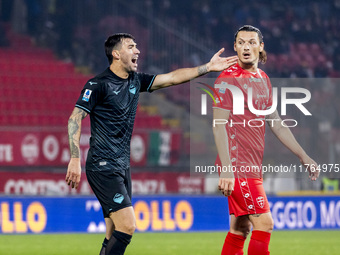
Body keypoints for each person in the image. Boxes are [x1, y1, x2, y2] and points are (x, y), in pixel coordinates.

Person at [65, 33, 238, 255]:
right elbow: (75, 117)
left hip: (122, 166)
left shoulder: (136, 81)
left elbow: (172, 78)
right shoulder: (98, 84)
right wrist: (75, 158)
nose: (137, 50)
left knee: (113, 232)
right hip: (102, 165)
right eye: (131, 46)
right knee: (127, 226)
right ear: (116, 54)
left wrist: (207, 67)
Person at [212, 25, 320, 255]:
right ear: (235, 47)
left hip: (251, 163)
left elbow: (277, 124)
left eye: (251, 42)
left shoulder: (262, 78)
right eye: (240, 42)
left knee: (240, 228)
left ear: (261, 47)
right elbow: (218, 125)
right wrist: (228, 169)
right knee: (265, 223)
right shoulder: (227, 79)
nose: (245, 47)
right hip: (237, 163)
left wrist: (304, 156)